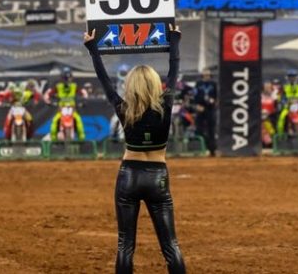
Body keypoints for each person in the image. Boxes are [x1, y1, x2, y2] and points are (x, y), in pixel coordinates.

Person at [83, 25, 186, 274]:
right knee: (171, 245)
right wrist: (174, 40)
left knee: (125, 245)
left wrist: (93, 48)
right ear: (155, 85)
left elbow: (104, 80)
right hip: (158, 176)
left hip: (129, 175)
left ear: (131, 86)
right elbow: (174, 70)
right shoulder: (166, 105)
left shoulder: (124, 109)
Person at [44, 67, 87, 141]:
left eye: (68, 77)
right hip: (61, 110)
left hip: (72, 110)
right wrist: (48, 101)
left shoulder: (74, 85)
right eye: (65, 78)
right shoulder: (58, 86)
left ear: (71, 77)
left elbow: (84, 92)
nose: (67, 79)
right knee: (54, 122)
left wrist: (84, 100)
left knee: (79, 121)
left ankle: (82, 141)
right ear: (62, 78)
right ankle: (54, 141)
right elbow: (47, 93)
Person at [277, 70, 298, 136]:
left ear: (297, 77)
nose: (292, 78)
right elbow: (280, 96)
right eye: (290, 77)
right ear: (287, 77)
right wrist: (285, 102)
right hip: (287, 107)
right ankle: (281, 136)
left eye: (293, 77)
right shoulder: (284, 86)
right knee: (282, 118)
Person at [194, 68, 218, 156]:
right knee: (199, 129)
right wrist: (197, 105)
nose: (207, 76)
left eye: (208, 75)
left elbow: (217, 96)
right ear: (202, 75)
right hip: (200, 108)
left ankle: (212, 150)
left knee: (211, 130)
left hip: (210, 109)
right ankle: (203, 148)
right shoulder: (198, 83)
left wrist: (214, 102)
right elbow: (195, 95)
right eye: (205, 75)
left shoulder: (213, 84)